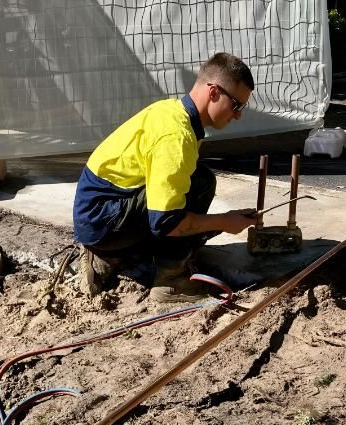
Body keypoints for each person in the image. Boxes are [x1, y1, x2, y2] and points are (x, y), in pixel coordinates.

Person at [73, 52, 258, 302]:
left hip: (100, 212)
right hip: (101, 221)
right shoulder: (176, 136)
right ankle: (170, 281)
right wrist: (224, 221)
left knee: (195, 179)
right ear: (214, 92)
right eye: (236, 105)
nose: (238, 115)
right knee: (199, 186)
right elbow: (166, 222)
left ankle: (118, 255)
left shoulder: (175, 113)